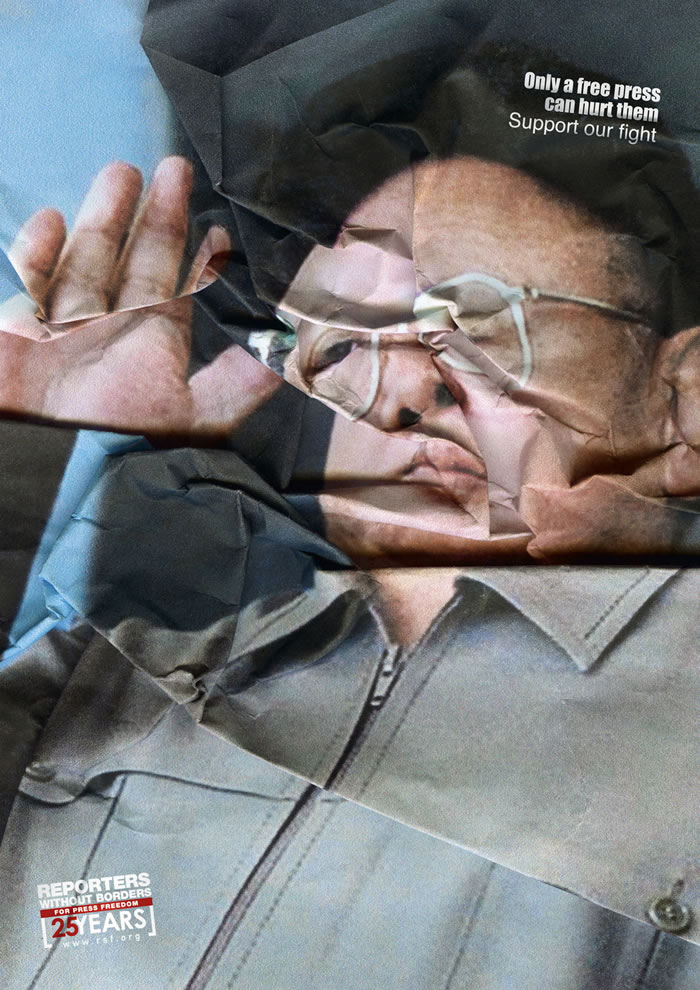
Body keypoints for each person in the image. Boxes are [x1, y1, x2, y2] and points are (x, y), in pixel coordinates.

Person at [1, 33, 699, 990]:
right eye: (342, 349)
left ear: (680, 398)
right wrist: (29, 464)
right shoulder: (156, 621)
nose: (399, 395)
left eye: (471, 324)